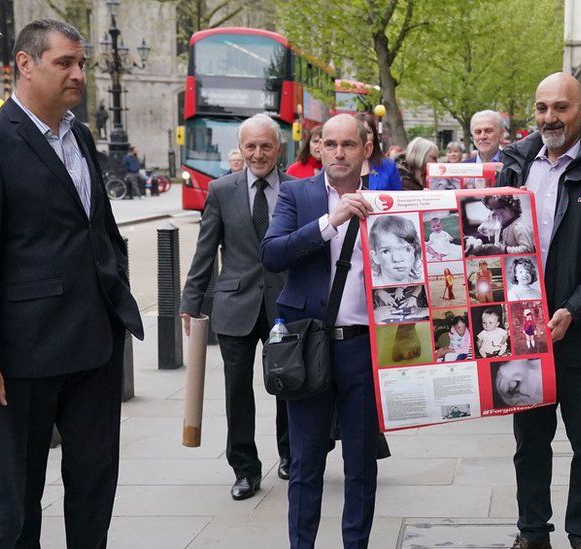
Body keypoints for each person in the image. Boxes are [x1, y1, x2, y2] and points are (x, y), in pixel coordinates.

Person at [0, 19, 144, 548]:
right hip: (24, 353)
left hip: (96, 345)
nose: (78, 73)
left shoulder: (79, 135)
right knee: (20, 497)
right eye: (65, 63)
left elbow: (97, 229)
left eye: (81, 64)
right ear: (25, 65)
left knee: (95, 485)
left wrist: (115, 294)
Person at [497, 72, 581, 549]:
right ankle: (532, 533)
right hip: (526, 335)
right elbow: (490, 246)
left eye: (560, 107)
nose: (550, 117)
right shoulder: (512, 166)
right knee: (529, 444)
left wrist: (574, 310)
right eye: (542, 108)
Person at [260, 113, 380, 549]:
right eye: (330, 144)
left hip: (364, 350)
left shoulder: (389, 202)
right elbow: (272, 254)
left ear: (366, 149)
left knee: (361, 464)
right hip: (308, 347)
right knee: (307, 462)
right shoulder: (297, 194)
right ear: (319, 149)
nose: (339, 153)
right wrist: (331, 221)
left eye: (349, 144)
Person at [179, 113, 292, 500]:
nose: (258, 154)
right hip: (235, 305)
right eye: (250, 146)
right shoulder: (222, 190)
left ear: (279, 148)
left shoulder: (299, 189)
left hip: (285, 304)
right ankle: (245, 469)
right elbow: (205, 250)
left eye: (265, 146)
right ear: (241, 150)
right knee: (237, 391)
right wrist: (190, 302)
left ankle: (290, 454)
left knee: (288, 384)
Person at [464, 195, 535, 256]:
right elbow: (497, 247)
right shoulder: (501, 227)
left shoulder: (520, 227)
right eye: (491, 209)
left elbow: (528, 249)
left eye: (498, 208)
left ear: (512, 207)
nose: (494, 212)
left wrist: (505, 250)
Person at [368, 215, 424, 286]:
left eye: (407, 249)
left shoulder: (421, 284)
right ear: (375, 256)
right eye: (386, 251)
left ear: (415, 252)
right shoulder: (370, 286)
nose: (397, 259)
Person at [355, 112, 401, 190]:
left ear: (374, 136)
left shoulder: (389, 166)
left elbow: (397, 197)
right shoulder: (342, 164)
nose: (364, 136)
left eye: (368, 132)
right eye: (360, 132)